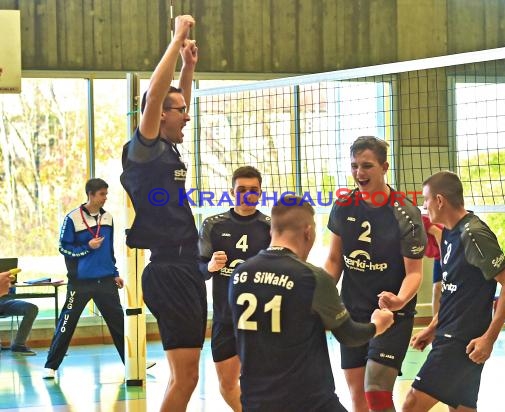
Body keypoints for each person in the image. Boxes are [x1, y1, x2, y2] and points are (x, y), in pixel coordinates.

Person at [228, 195, 395, 412]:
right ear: (308, 232)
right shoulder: (311, 278)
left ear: (272, 230)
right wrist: (377, 325)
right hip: (309, 402)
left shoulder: (239, 275)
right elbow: (350, 335)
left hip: (254, 402)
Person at [120, 15, 203, 412]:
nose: (187, 115)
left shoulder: (169, 147)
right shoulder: (144, 149)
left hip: (183, 269)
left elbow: (171, 100)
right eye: (180, 110)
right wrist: (176, 40)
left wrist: (188, 66)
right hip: (170, 270)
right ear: (157, 116)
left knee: (183, 376)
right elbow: (155, 98)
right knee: (186, 377)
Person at [402, 171, 505, 412]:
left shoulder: (473, 233)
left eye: (426, 200)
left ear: (440, 200)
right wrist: (433, 328)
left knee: (412, 403)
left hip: (461, 340)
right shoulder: (448, 234)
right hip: (451, 335)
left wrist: (489, 338)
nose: (424, 207)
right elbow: (454, 292)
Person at [324, 136, 427, 412]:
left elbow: (415, 273)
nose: (359, 173)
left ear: (385, 167)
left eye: (367, 166)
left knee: (377, 393)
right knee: (358, 399)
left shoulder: (405, 213)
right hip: (351, 314)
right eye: (355, 166)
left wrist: (400, 300)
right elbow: (334, 260)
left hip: (393, 315)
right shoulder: (343, 206)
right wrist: (320, 295)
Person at [198, 166, 271, 412]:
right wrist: (209, 265)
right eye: (242, 190)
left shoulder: (269, 227)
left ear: (260, 193)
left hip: (262, 320)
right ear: (232, 192)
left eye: (253, 190)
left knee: (263, 383)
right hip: (225, 318)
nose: (247, 195)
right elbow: (197, 269)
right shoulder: (213, 225)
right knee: (228, 384)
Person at [44, 178, 125, 378]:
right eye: (102, 194)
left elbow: (109, 249)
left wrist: (114, 273)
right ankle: (51, 365)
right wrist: (87, 247)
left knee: (120, 324)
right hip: (80, 283)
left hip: (106, 281)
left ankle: (132, 363)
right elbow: (63, 247)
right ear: (90, 194)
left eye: (106, 194)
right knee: (66, 323)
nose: (105, 198)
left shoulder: (108, 218)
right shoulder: (72, 218)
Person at [421, 213, 443, 315]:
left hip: (446, 252)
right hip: (438, 256)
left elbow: (439, 233)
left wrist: (444, 257)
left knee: (449, 287)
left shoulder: (421, 219)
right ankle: (435, 322)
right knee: (437, 288)